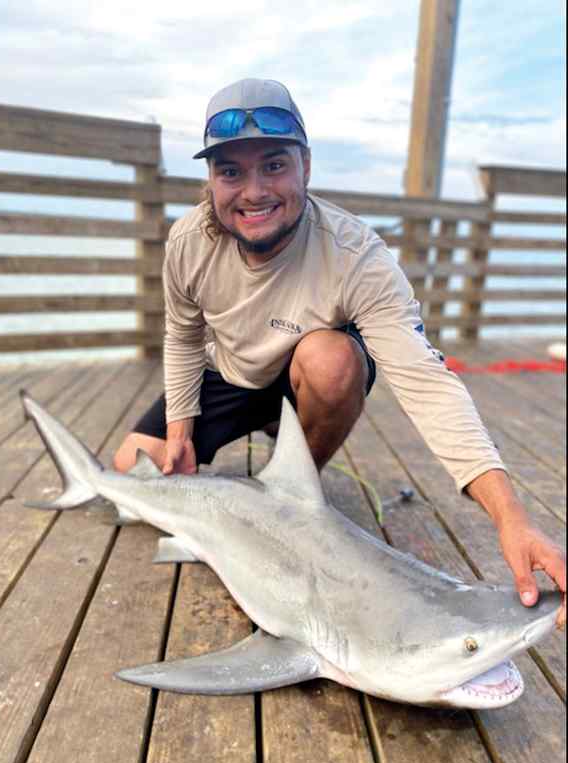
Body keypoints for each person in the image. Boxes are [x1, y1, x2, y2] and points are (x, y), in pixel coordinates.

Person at [114, 78, 565, 627]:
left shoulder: (356, 256)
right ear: (210, 179)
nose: (253, 191)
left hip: (305, 379)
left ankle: (295, 495)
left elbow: (426, 382)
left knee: (333, 359)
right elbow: (183, 337)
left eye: (274, 165)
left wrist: (510, 517)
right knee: (130, 468)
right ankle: (259, 479)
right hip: (228, 371)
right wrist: (181, 435)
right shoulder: (188, 241)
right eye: (230, 171)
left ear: (307, 165)